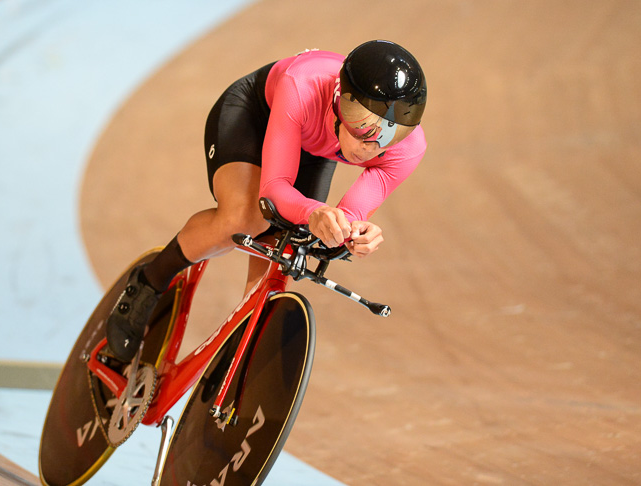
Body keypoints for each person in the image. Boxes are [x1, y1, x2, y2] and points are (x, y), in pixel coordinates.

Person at [106, 39, 428, 362]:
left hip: (312, 146)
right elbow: (273, 190)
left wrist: (353, 234)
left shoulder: (408, 148)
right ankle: (151, 279)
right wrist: (314, 212)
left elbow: (347, 214)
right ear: (340, 99)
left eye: (388, 133)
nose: (370, 146)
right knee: (246, 218)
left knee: (293, 242)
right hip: (256, 115)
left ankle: (243, 341)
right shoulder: (301, 84)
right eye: (361, 123)